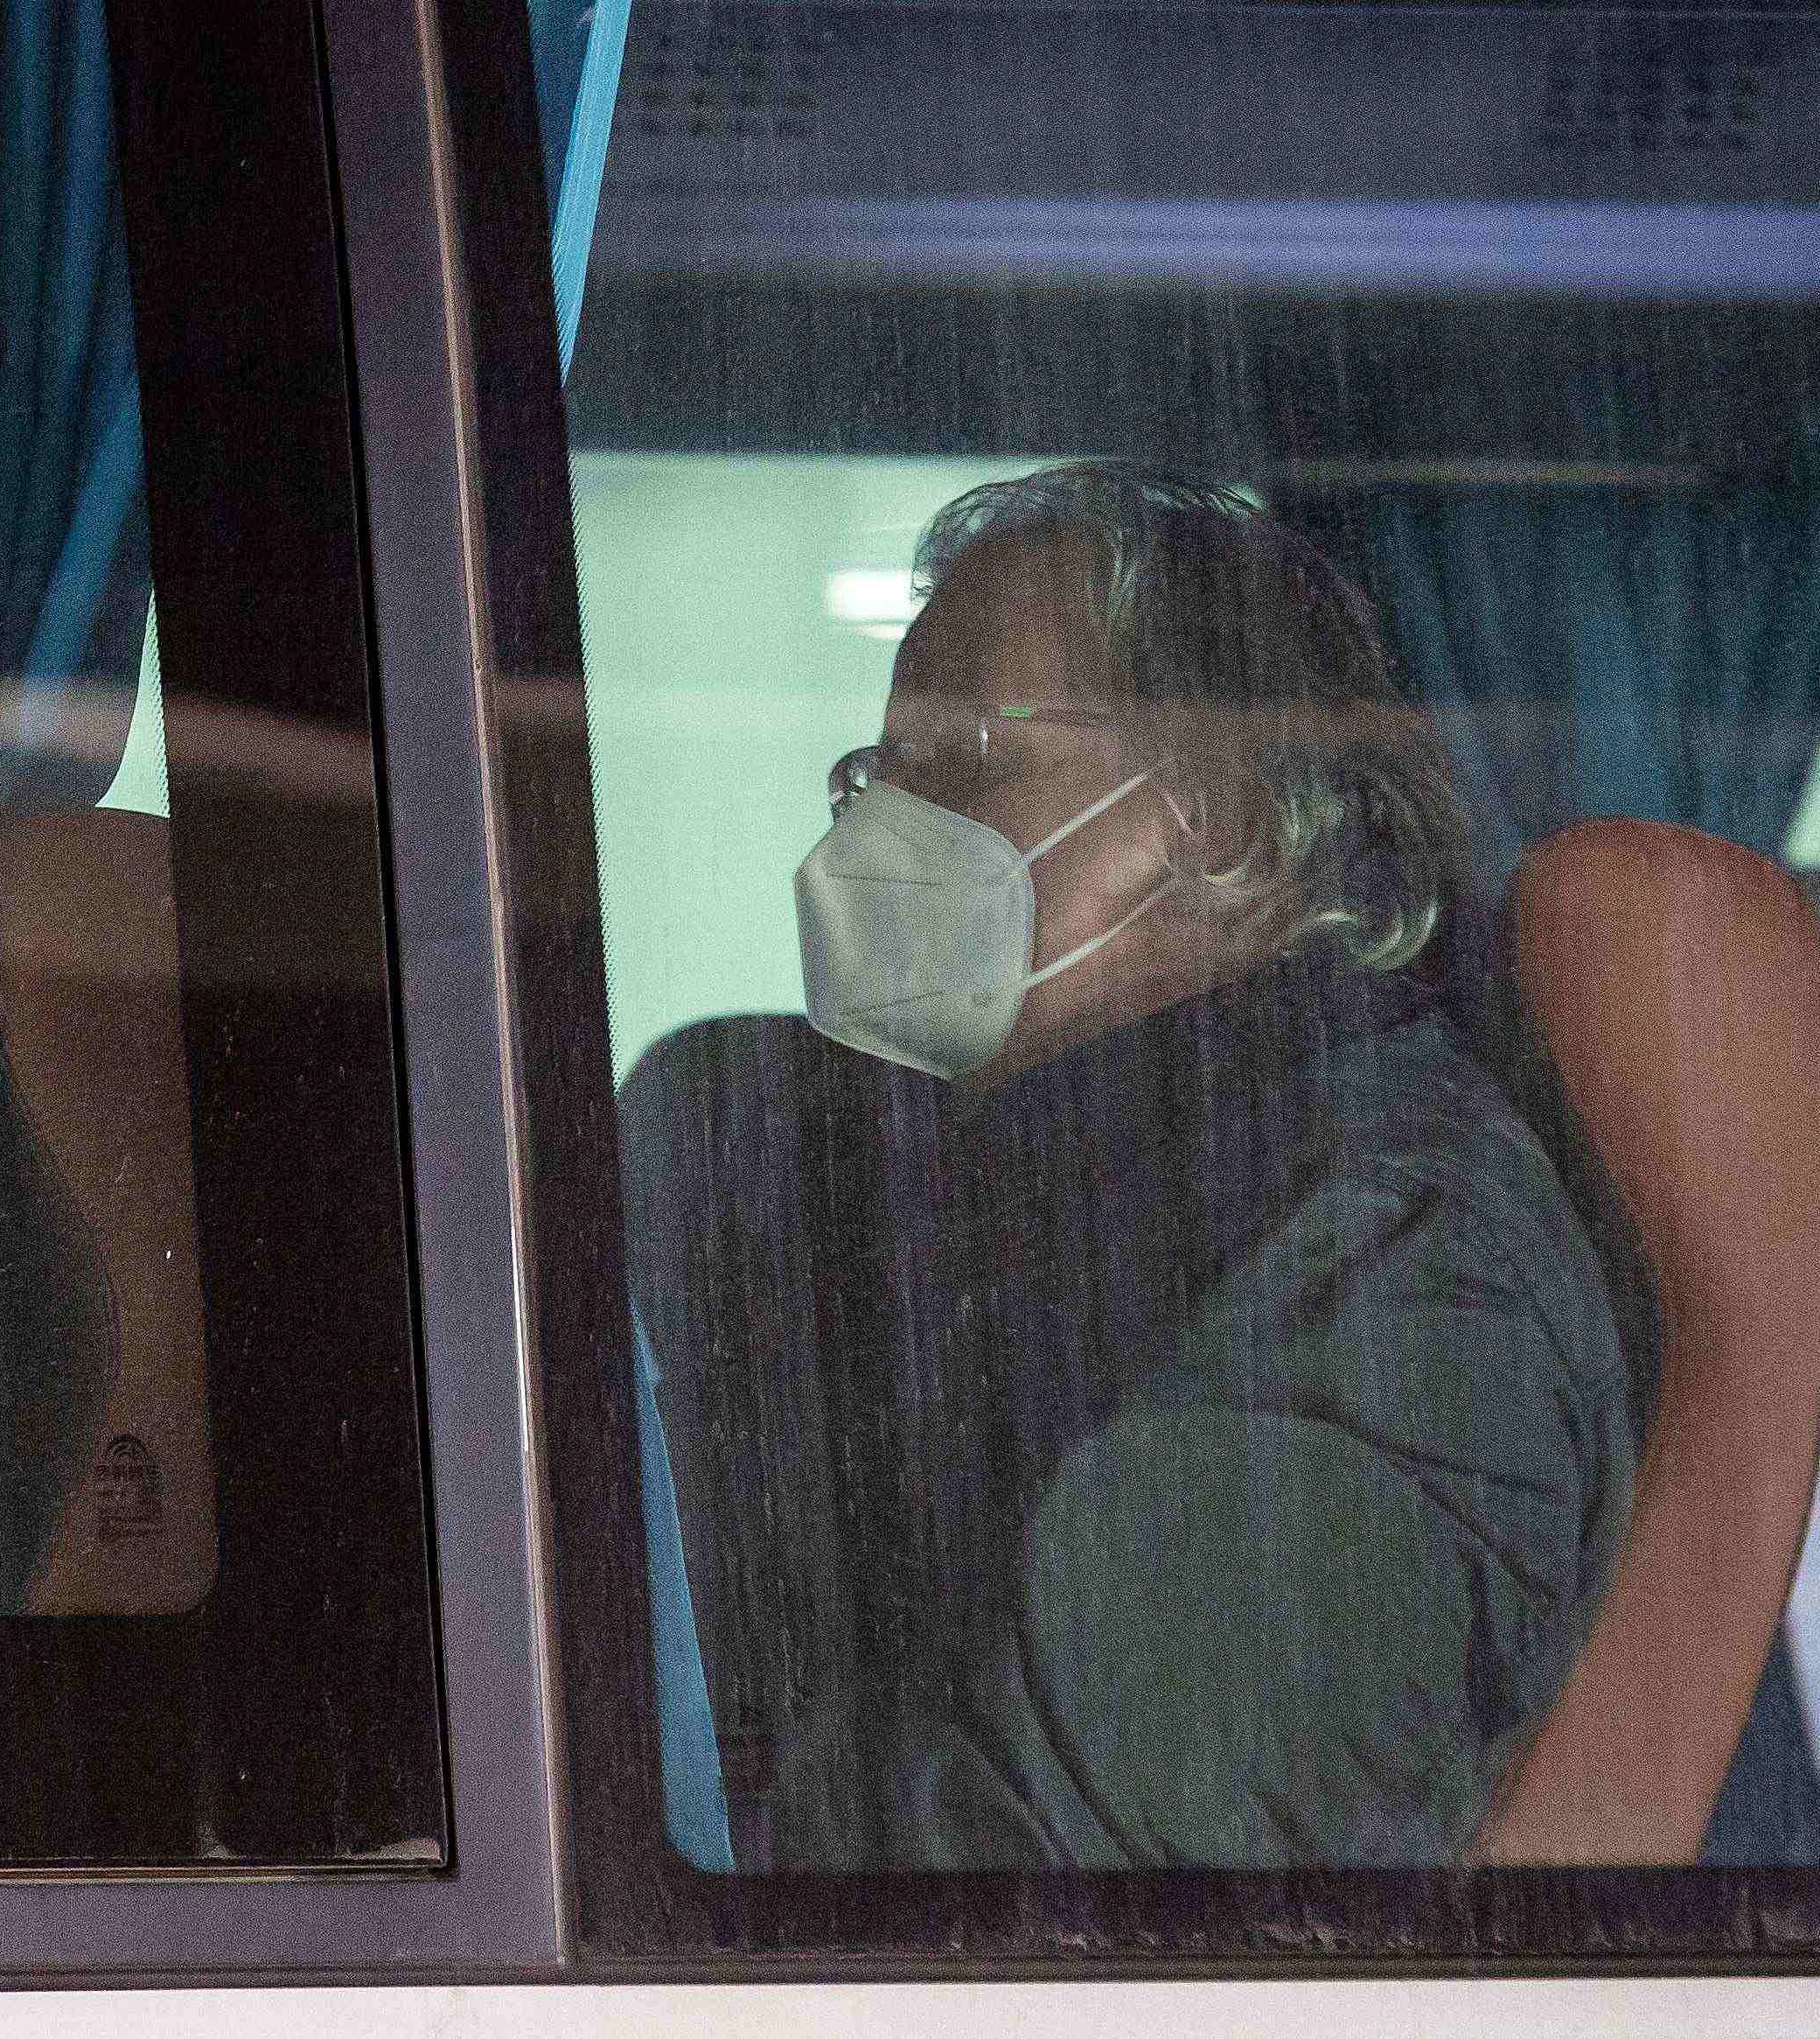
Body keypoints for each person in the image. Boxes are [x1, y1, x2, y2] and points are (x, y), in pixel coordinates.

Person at [637, 461, 1628, 1868]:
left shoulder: (1394, 1256)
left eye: (964, 752)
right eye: (874, 768)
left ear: (1211, 816)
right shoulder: (1009, 1177)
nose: (873, 831)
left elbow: (1008, 1885)